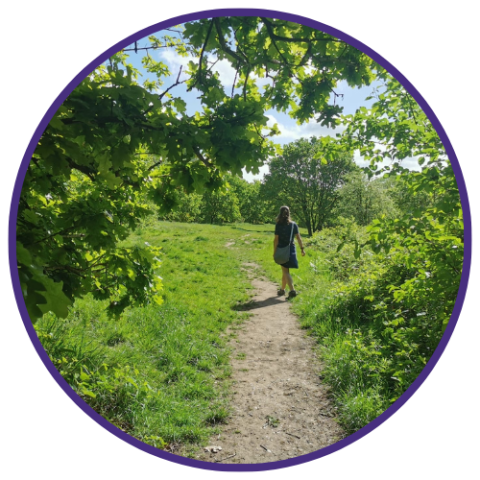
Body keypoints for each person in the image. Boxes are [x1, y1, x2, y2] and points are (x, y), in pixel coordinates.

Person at [273, 206, 305, 299]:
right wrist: (302, 249)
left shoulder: (278, 225)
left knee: (285, 271)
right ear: (289, 213)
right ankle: (282, 290)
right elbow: (298, 238)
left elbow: (276, 240)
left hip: (282, 250)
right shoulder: (293, 225)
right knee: (285, 270)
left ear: (280, 213)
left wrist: (274, 252)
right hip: (291, 249)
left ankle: (292, 291)